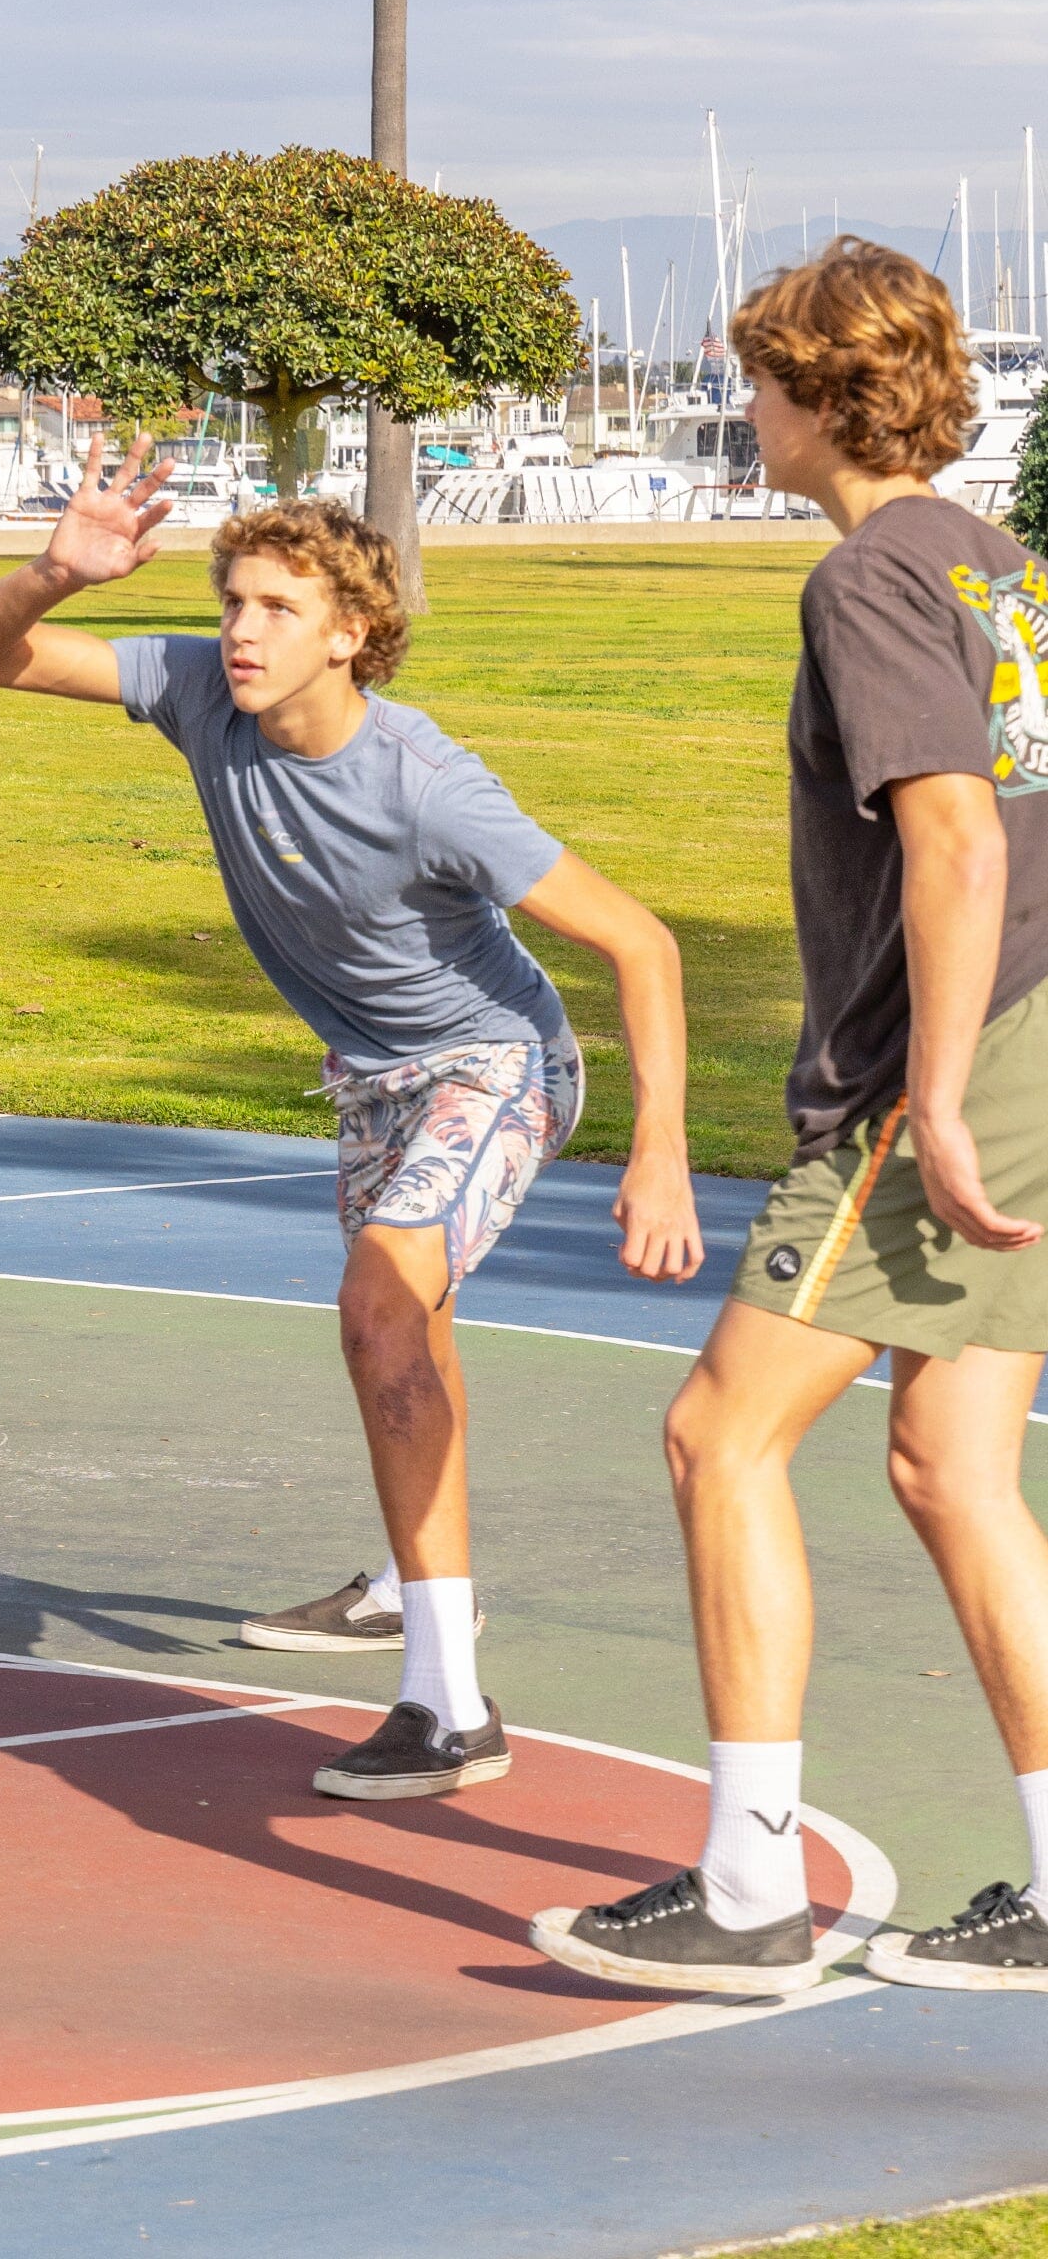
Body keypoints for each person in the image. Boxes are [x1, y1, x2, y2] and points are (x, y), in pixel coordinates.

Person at [0, 467, 702, 1800]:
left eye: (279, 609)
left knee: (381, 1311)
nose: (243, 630)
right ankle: (414, 1579)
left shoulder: (429, 787)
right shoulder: (198, 691)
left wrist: (663, 1153)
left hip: (496, 1064)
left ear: (350, 634)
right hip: (372, 1080)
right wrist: (56, 573)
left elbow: (643, 943)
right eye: (233, 601)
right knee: (408, 1333)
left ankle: (450, 1708)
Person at [536, 243, 1048, 1997]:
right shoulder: (1000, 565)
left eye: (755, 380)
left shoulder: (871, 578)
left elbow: (956, 835)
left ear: (825, 395)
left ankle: (752, 1889)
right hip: (1036, 1039)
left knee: (720, 1436)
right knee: (955, 1469)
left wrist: (933, 1095)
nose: (741, 407)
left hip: (957, 1063)